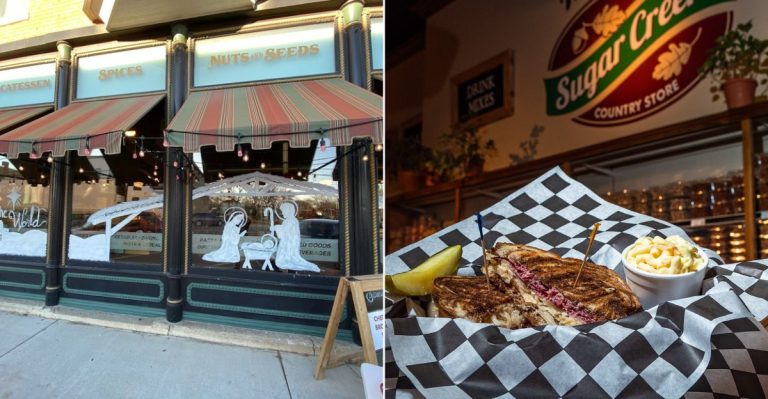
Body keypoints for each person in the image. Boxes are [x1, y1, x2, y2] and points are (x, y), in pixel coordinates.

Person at [274, 202, 320, 272]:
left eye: (283, 211)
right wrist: (276, 228)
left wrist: (276, 227)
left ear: (289, 211)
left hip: (289, 246)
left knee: (282, 262)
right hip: (286, 245)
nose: (282, 213)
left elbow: (282, 234)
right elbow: (283, 232)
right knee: (280, 262)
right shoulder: (287, 221)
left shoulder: (292, 220)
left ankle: (311, 267)